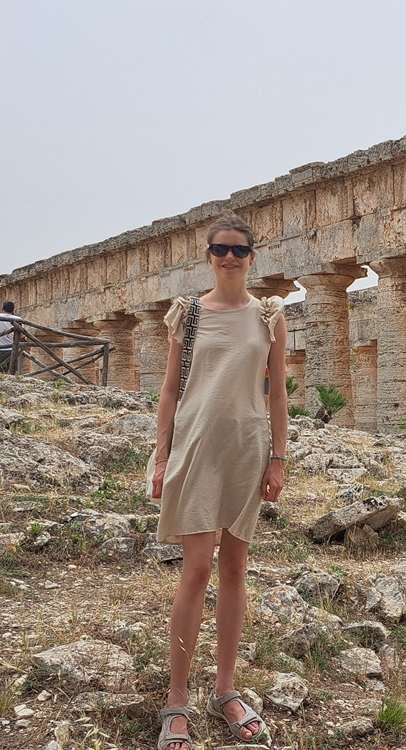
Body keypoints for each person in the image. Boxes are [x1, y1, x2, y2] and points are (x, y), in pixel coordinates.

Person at [148, 210, 287, 750]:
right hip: (196, 445)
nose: (229, 258)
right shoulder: (188, 315)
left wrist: (279, 458)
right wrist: (161, 457)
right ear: (207, 256)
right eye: (219, 249)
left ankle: (224, 688)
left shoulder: (270, 315)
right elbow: (167, 391)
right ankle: (176, 699)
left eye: (238, 250)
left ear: (253, 258)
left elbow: (277, 393)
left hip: (247, 449)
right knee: (196, 569)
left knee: (235, 568)